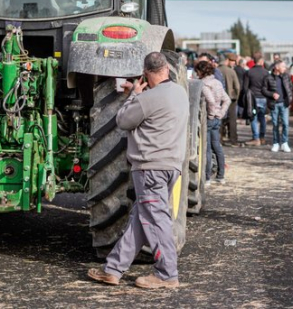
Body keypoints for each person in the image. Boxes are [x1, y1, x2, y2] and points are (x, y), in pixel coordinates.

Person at [88, 52, 189, 289]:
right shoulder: (180, 93)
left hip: (149, 168)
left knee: (156, 220)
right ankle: (113, 270)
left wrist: (134, 95)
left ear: (145, 73)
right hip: (170, 166)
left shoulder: (146, 99)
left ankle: (166, 274)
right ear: (167, 69)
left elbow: (123, 121)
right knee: (141, 219)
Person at [196, 60, 230, 184]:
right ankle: (221, 176)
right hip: (217, 119)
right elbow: (227, 100)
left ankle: (207, 177)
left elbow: (210, 101)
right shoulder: (217, 82)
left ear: (200, 71)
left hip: (209, 119)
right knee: (218, 147)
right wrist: (220, 113)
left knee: (207, 149)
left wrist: (211, 115)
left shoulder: (204, 84)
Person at [263, 60, 293, 153]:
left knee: (285, 124)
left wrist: (290, 98)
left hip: (284, 104)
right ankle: (276, 143)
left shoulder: (286, 76)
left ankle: (284, 143)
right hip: (274, 104)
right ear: (277, 68)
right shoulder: (268, 77)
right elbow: (263, 90)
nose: (285, 68)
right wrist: (272, 94)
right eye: (283, 66)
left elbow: (290, 87)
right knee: (275, 124)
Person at [243, 56, 270, 146]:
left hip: (253, 98)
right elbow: (269, 86)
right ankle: (262, 137)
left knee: (253, 118)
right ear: (261, 61)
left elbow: (245, 87)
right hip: (264, 97)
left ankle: (256, 137)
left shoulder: (249, 72)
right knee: (262, 118)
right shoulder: (266, 72)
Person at [219, 53, 241, 146]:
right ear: (228, 60)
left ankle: (219, 139)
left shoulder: (217, 70)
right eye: (233, 61)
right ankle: (233, 140)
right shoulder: (231, 72)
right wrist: (236, 97)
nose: (234, 64)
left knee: (219, 118)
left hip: (219, 98)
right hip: (231, 99)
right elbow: (237, 87)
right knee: (232, 120)